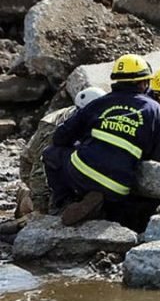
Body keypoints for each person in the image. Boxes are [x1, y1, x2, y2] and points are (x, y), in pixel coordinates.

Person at [43, 54, 160, 226]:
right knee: (118, 190)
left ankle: (65, 204)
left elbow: (60, 137)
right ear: (143, 83)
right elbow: (158, 154)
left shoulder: (99, 103)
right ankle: (103, 209)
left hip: (82, 171)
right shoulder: (154, 109)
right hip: (119, 186)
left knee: (51, 154)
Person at [17, 87, 107, 218]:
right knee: (47, 205)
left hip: (67, 160)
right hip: (31, 167)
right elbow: (39, 169)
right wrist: (42, 212)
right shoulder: (55, 129)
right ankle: (26, 199)